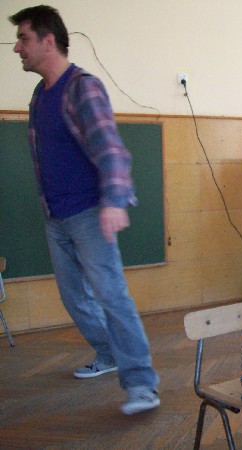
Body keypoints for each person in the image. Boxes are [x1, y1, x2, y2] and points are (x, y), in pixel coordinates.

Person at [9, 5, 160, 415]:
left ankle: (142, 384)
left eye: (23, 38)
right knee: (74, 297)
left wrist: (113, 201)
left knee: (112, 296)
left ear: (48, 41)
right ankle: (108, 354)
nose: (17, 48)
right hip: (56, 216)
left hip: (90, 214)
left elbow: (111, 148)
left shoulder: (82, 87)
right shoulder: (40, 94)